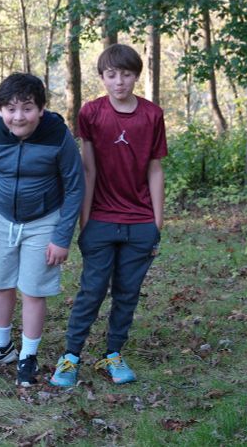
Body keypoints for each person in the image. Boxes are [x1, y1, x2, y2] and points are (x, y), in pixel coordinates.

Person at [49, 44, 167, 387]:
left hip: (140, 222)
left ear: (136, 76)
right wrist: (86, 222)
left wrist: (156, 223)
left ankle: (113, 353)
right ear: (102, 77)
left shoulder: (152, 115)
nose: (119, 82)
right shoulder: (92, 113)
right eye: (111, 75)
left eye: (126, 74)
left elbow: (155, 169)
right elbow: (89, 170)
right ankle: (71, 356)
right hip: (101, 219)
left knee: (128, 292)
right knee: (92, 289)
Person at [0, 73, 83, 387]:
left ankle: (28, 355)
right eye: (11, 109)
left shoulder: (57, 132)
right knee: (0, 283)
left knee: (33, 289)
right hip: (1, 217)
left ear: (41, 109)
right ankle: (2, 346)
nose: (18, 116)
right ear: (1, 110)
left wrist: (61, 236)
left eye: (27, 108)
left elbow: (74, 186)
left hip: (44, 220)